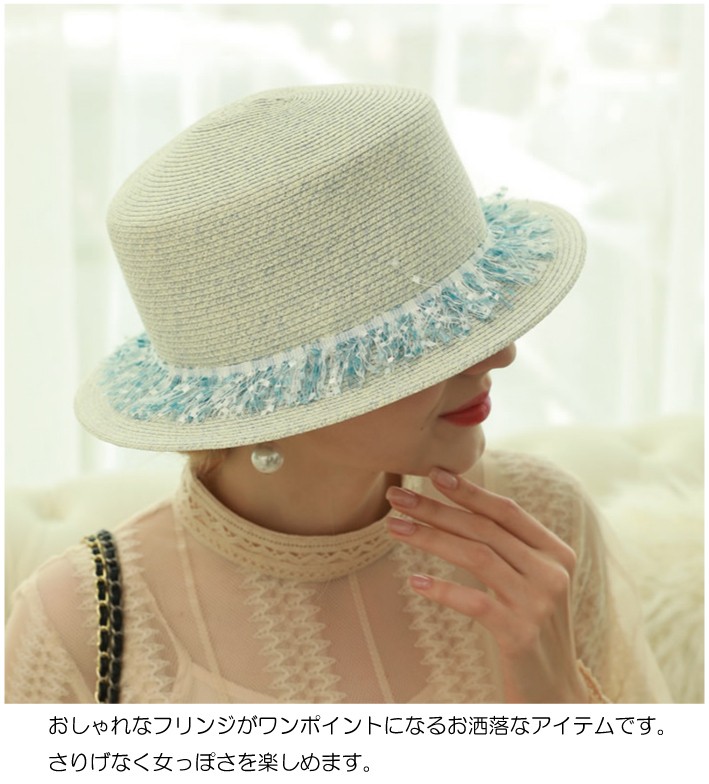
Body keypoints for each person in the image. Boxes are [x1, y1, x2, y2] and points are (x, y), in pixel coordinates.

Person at [5, 83, 669, 704]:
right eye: (421, 340)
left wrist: (555, 694)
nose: (500, 353)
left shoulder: (538, 527)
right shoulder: (84, 622)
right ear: (273, 399)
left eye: (470, 320)